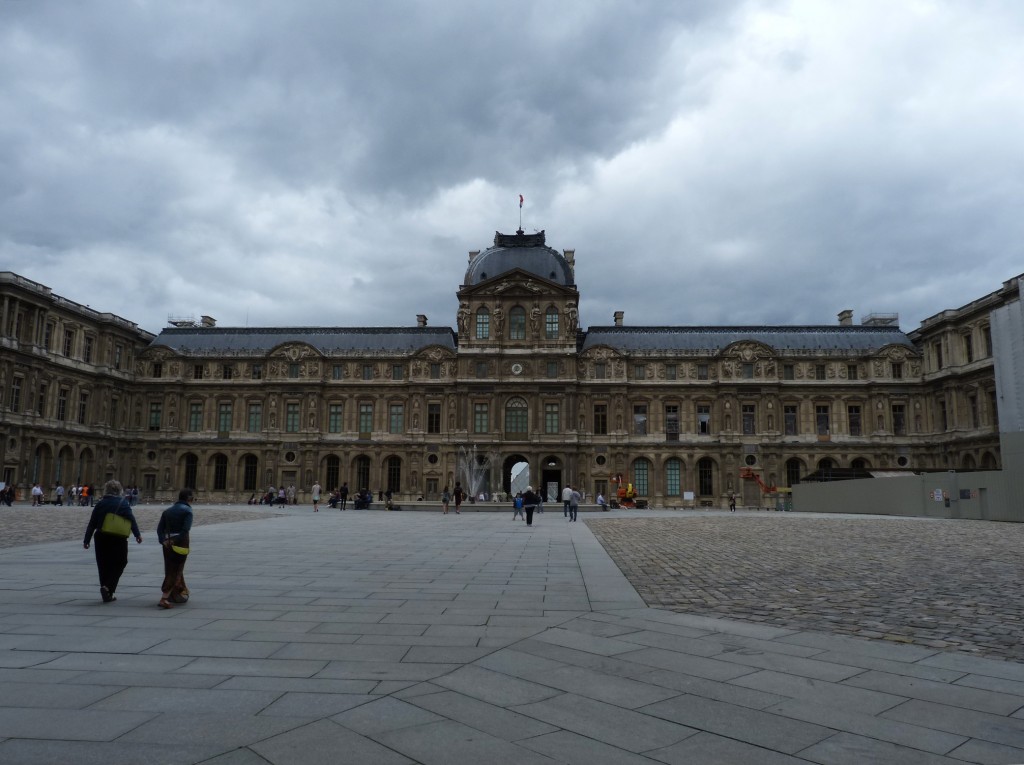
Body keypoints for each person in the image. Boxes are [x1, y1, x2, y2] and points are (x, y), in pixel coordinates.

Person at [83, 480, 142, 603]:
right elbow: (131, 519)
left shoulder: (100, 503)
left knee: (103, 565)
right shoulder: (123, 503)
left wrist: (86, 540)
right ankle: (108, 588)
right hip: (118, 537)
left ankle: (107, 591)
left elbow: (92, 523)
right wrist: (137, 534)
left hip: (101, 537)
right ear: (119, 491)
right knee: (121, 562)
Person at [157, 488, 194, 609]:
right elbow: (185, 530)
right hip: (180, 543)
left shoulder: (167, 511)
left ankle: (177, 593)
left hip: (166, 544)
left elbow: (159, 529)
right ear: (189, 499)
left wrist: (163, 540)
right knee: (177, 569)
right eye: (192, 499)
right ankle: (164, 597)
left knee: (169, 568)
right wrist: (174, 540)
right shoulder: (187, 511)